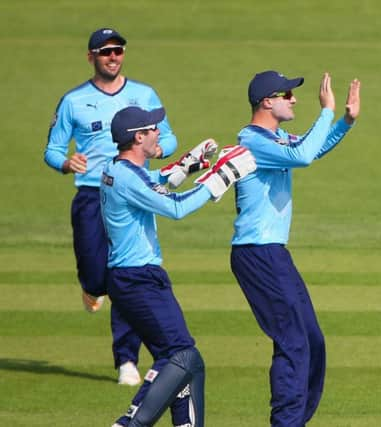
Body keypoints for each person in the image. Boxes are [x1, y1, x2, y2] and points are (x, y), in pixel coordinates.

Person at [102, 106, 256, 427]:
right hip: (138, 279)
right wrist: (221, 176)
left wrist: (186, 166)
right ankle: (130, 422)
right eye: (153, 128)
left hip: (132, 278)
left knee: (185, 363)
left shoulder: (118, 169)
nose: (160, 132)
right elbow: (176, 209)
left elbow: (152, 183)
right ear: (138, 137)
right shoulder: (127, 178)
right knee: (182, 356)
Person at [43, 27, 179, 385]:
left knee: (126, 274)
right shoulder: (73, 100)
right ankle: (90, 286)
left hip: (133, 192)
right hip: (92, 193)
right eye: (105, 52)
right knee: (96, 275)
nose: (113, 57)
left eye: (118, 50)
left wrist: (162, 148)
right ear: (91, 57)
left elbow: (168, 135)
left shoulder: (143, 94)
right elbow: (52, 149)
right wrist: (65, 162)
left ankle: (127, 360)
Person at [229, 70, 360, 427]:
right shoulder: (252, 141)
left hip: (272, 252)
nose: (294, 99)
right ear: (266, 101)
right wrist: (326, 111)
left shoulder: (275, 138)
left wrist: (344, 122)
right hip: (257, 253)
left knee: (313, 341)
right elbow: (302, 156)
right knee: (294, 342)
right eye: (287, 94)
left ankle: (294, 421)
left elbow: (310, 149)